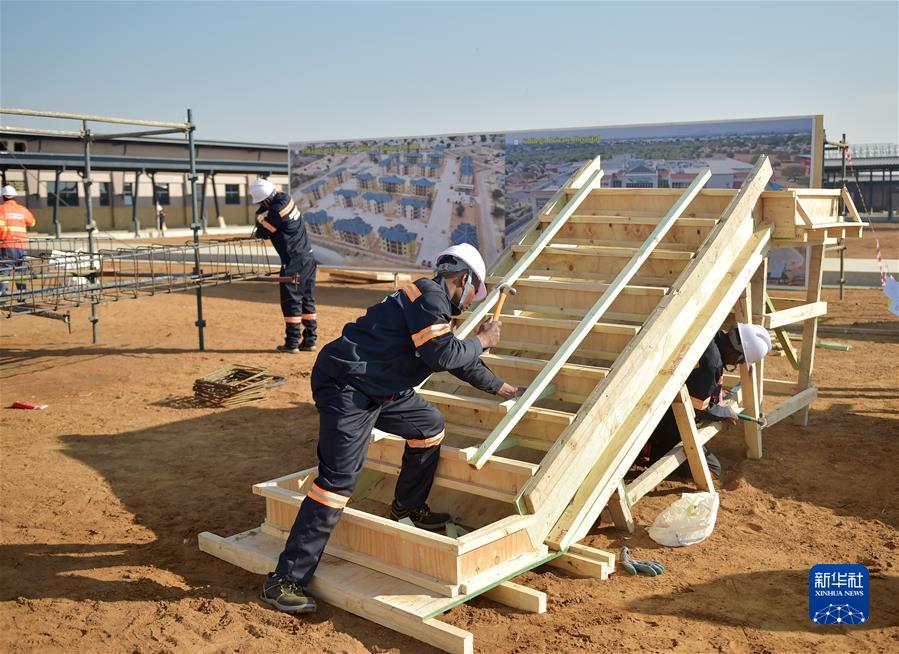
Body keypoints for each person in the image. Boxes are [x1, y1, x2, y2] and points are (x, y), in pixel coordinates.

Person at [260, 243, 518, 614]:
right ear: (464, 279)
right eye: (472, 292)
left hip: (380, 387)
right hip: (347, 386)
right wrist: (483, 340)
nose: (469, 302)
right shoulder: (430, 296)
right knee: (337, 483)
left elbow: (454, 358)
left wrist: (500, 387)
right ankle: (285, 580)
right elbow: (443, 356)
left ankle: (407, 507)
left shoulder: (429, 301)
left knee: (428, 425)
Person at [645, 323, 772, 478]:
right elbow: (698, 407)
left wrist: (714, 390)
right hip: (664, 419)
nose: (737, 363)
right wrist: (724, 413)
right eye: (739, 359)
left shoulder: (710, 337)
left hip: (654, 404)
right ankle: (652, 448)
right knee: (712, 470)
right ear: (734, 350)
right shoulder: (712, 363)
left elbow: (694, 380)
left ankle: (652, 444)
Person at [249, 179, 317, 352]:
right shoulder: (285, 199)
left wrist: (260, 218)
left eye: (260, 202)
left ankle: (292, 343)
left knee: (291, 301)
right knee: (307, 300)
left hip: (293, 262)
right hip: (308, 258)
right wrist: (264, 213)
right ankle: (310, 340)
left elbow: (263, 232)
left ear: (266, 200)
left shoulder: (276, 211)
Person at [0, 185, 36, 295]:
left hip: (6, 245)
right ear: (15, 197)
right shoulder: (22, 209)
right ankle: (22, 293)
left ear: (3, 197)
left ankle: (3, 294)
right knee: (21, 269)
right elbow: (32, 223)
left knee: (5, 269)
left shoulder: (2, 209)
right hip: (21, 245)